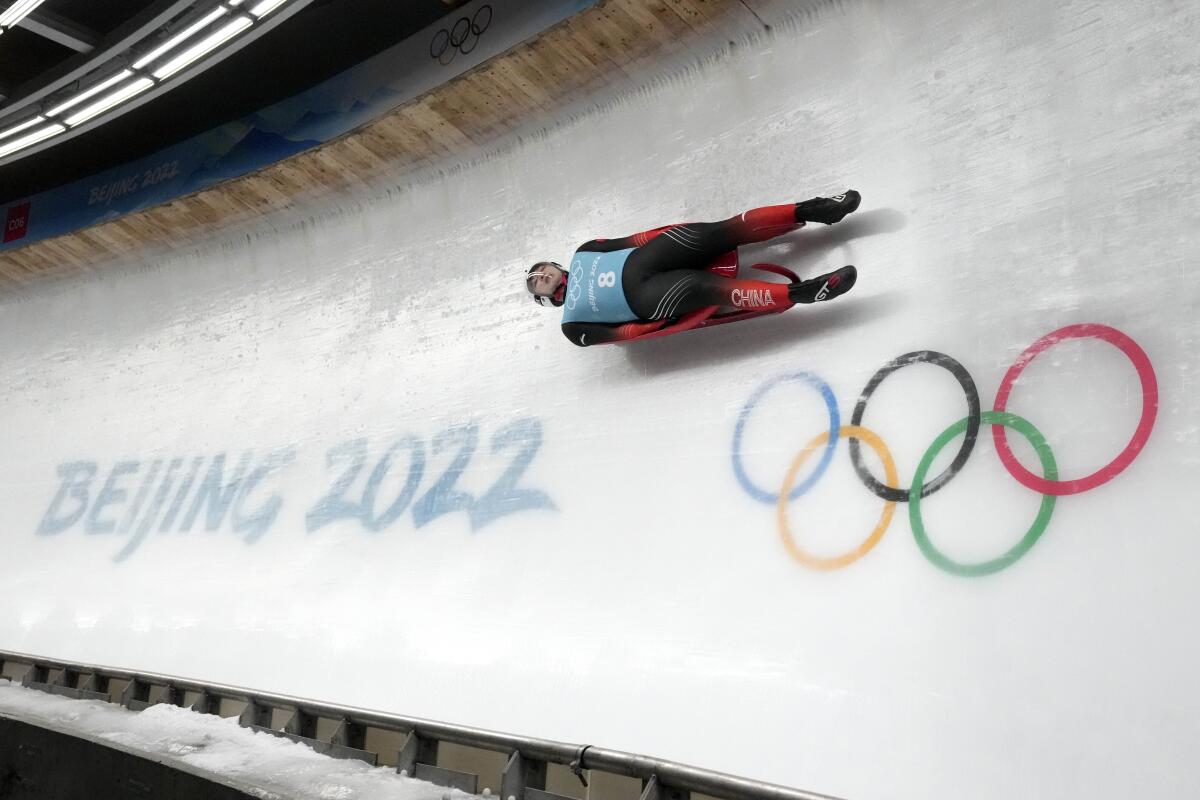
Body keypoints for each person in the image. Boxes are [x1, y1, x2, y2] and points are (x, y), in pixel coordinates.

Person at [525, 191, 862, 346]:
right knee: (708, 288)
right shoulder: (571, 327)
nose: (540, 276)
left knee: (721, 230)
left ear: (554, 264)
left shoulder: (583, 252)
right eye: (536, 282)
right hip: (646, 297)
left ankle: (818, 209)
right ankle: (804, 292)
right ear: (546, 298)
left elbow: (633, 239)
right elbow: (621, 334)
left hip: (652, 256)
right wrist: (664, 323)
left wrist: (672, 233)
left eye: (539, 269)